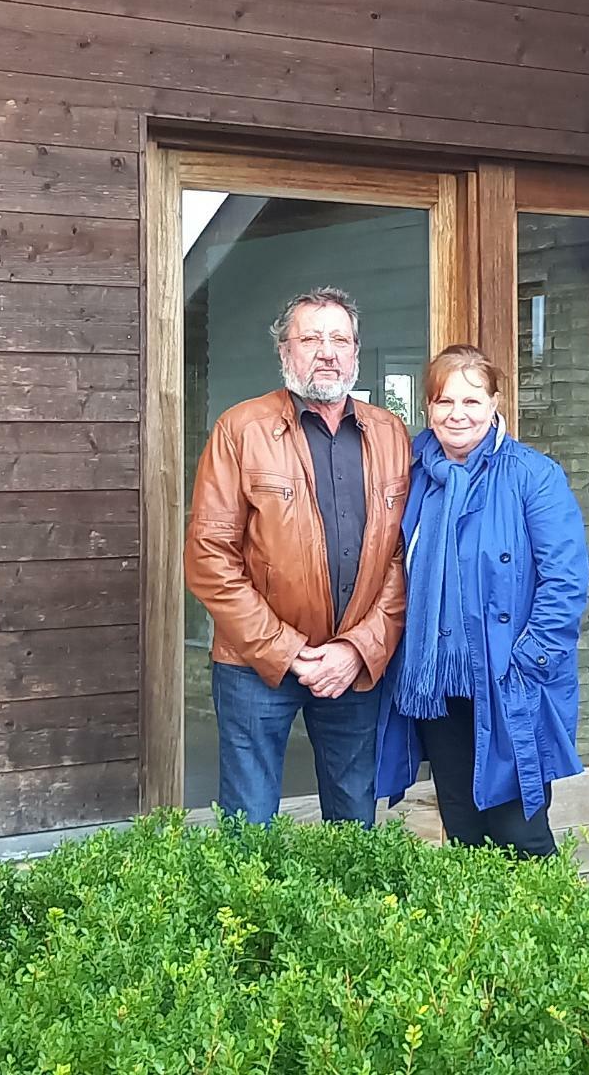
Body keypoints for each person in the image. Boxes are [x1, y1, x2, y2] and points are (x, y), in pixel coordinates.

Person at [183, 287, 410, 825]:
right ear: (285, 352)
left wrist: (358, 649)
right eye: (310, 338)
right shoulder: (240, 430)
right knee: (249, 825)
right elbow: (209, 556)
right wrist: (287, 650)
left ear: (356, 352)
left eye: (339, 339)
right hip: (255, 665)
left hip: (353, 667)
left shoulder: (391, 432)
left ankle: (345, 913)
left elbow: (403, 556)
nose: (326, 351)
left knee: (354, 824)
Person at [374, 345, 589, 857]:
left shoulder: (532, 476)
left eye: (472, 400)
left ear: (496, 403)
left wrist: (527, 662)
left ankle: (550, 933)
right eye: (445, 401)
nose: (458, 414)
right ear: (427, 408)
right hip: (435, 683)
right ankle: (479, 936)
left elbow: (566, 582)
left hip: (507, 681)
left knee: (521, 832)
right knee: (465, 829)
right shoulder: (412, 477)